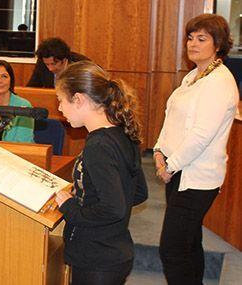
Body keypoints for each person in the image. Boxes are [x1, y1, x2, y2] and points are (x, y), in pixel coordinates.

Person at [154, 14, 239, 285]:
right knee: (189, 243)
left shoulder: (219, 82)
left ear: (219, 44)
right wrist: (158, 151)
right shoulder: (193, 76)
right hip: (176, 170)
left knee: (173, 248)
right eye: (190, 38)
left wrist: (170, 164)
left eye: (201, 39)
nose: (192, 44)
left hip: (196, 177)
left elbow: (201, 135)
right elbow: (171, 118)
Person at [54, 61, 148, 285]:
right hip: (114, 251)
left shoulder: (98, 145)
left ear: (79, 100)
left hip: (97, 259)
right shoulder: (123, 134)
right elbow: (138, 193)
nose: (59, 109)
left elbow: (112, 208)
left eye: (61, 101)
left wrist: (70, 206)